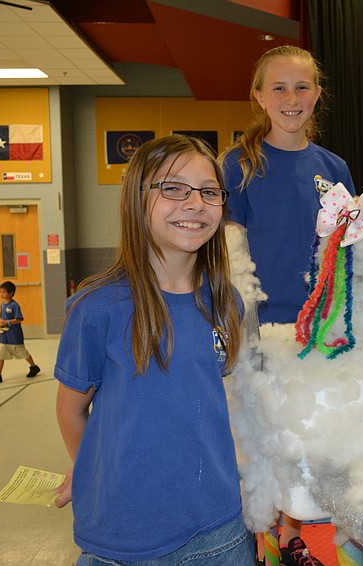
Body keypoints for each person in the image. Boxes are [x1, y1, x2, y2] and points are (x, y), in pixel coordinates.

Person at [53, 135, 255, 565]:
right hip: (125, 536)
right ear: (135, 200)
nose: (195, 202)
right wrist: (91, 468)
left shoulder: (227, 303)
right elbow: (71, 409)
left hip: (219, 531)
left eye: (208, 191)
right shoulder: (97, 308)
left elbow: (203, 404)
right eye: (173, 188)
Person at [220, 45, 356, 566]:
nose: (291, 98)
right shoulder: (238, 165)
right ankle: (262, 545)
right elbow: (231, 258)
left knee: (312, 448)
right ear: (258, 96)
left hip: (319, 337)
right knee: (263, 452)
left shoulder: (334, 166)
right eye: (278, 87)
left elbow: (343, 255)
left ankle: (308, 544)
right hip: (261, 339)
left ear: (318, 94)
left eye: (302, 87)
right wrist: (241, 334)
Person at [0, 280, 40, 384]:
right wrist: (2, 326)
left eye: (4, 292)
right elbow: (2, 317)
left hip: (14, 335)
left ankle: (34, 367)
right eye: (1, 292)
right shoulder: (2, 305)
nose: (2, 294)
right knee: (0, 354)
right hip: (5, 335)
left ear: (11, 293)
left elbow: (19, 319)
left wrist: (7, 322)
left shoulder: (14, 305)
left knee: (22, 352)